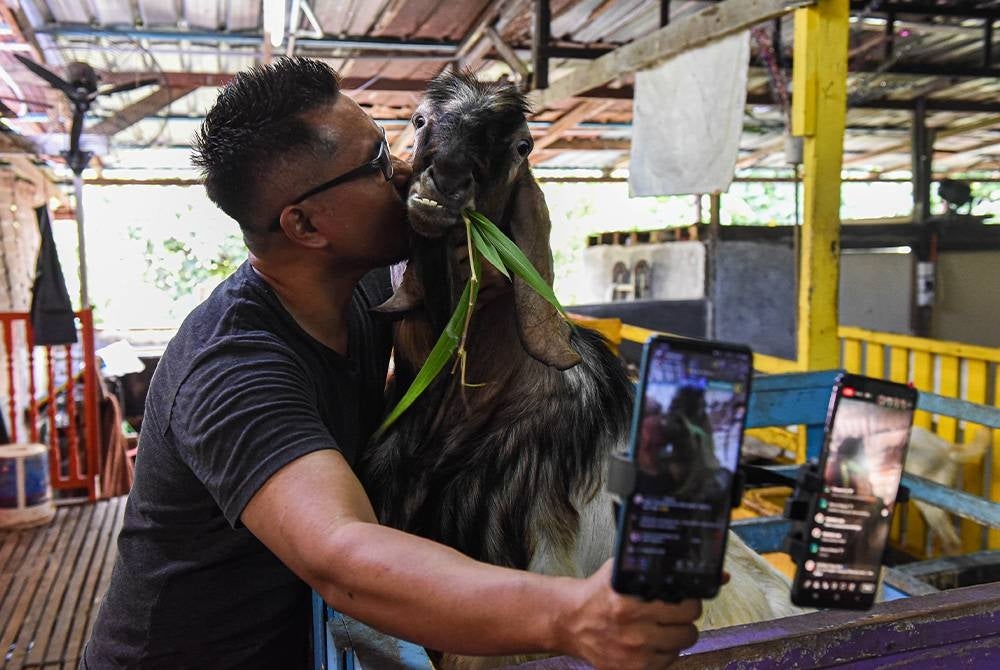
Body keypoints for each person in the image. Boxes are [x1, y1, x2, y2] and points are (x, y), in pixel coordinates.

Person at [82, 57, 703, 670]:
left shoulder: (358, 286)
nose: (408, 172)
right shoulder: (234, 370)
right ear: (305, 223)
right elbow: (342, 555)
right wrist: (569, 615)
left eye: (393, 144)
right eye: (377, 165)